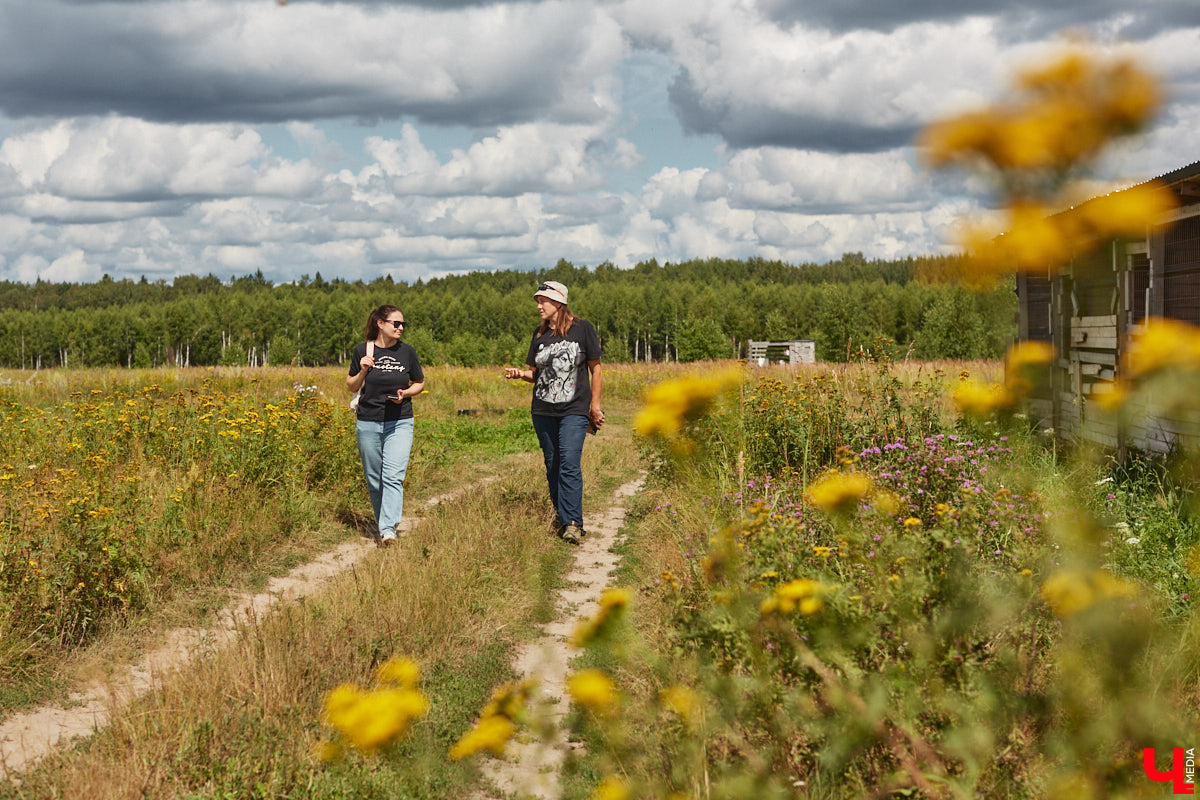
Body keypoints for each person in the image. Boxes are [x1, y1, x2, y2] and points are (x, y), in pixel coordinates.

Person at [504, 280, 604, 544]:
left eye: (543, 301)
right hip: (543, 411)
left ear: (559, 302)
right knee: (553, 465)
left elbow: (597, 369)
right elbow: (534, 374)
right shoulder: (539, 335)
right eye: (537, 301)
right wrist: (520, 374)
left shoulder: (582, 329)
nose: (538, 305)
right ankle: (562, 518)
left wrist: (595, 406)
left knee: (569, 462)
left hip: (574, 409)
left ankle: (573, 523)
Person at [347, 304, 425, 547]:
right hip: (369, 421)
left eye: (403, 324)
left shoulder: (407, 352)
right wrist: (362, 371)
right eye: (396, 323)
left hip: (400, 420)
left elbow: (419, 382)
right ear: (380, 324)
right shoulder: (363, 350)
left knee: (393, 475)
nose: (401, 328)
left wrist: (406, 393)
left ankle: (388, 529)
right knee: (374, 478)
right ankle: (385, 522)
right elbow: (351, 385)